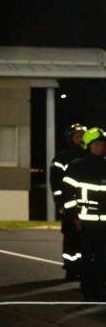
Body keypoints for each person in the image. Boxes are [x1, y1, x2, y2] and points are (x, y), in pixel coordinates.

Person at [61, 127, 106, 301]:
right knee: (88, 258)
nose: (100, 147)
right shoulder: (77, 166)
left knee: (103, 258)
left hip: (104, 223)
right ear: (88, 146)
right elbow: (68, 194)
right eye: (97, 144)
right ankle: (89, 290)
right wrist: (75, 216)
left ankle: (100, 288)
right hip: (86, 222)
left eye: (102, 144)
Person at [50, 123, 87, 280]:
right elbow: (56, 183)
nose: (81, 139)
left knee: (86, 238)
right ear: (70, 138)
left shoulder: (89, 156)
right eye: (77, 136)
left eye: (82, 136)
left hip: (87, 205)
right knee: (71, 237)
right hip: (69, 204)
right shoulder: (62, 158)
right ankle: (71, 268)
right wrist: (61, 203)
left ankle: (84, 268)